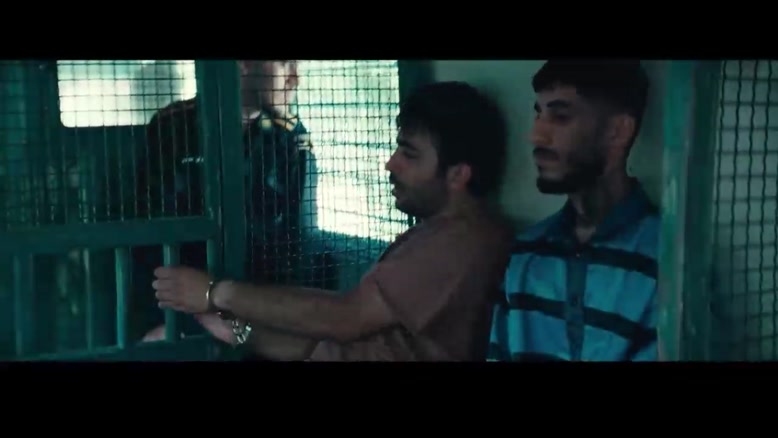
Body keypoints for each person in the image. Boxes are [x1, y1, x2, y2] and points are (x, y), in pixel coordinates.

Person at [149, 81, 514, 361]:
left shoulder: (464, 241)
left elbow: (344, 317)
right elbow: (325, 339)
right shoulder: (432, 233)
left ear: (458, 174)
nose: (391, 164)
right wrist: (234, 328)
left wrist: (215, 293)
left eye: (409, 154)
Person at [133, 60, 318, 342]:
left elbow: (299, 244)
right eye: (285, 63)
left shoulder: (291, 137)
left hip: (258, 312)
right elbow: (148, 239)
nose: (295, 78)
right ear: (243, 65)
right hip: (181, 309)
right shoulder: (172, 126)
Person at [487, 60, 658, 362]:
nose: (536, 136)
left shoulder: (669, 260)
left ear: (617, 131)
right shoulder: (526, 254)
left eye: (560, 117)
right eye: (538, 114)